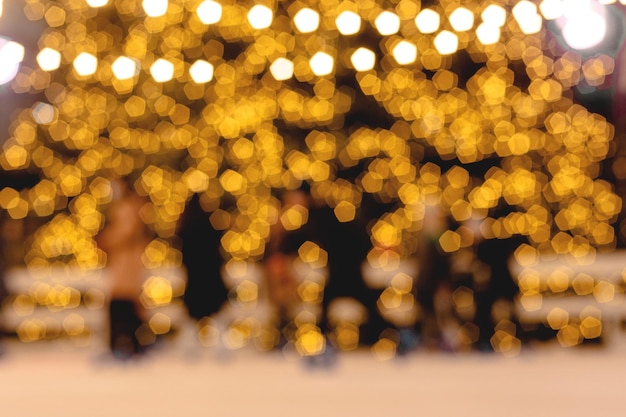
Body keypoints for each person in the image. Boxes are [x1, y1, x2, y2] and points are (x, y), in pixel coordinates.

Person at [96, 178, 153, 360]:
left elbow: (124, 231)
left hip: (126, 263)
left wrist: (106, 240)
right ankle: (134, 345)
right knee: (128, 304)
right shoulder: (135, 208)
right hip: (128, 263)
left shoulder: (126, 209)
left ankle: (122, 346)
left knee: (121, 304)